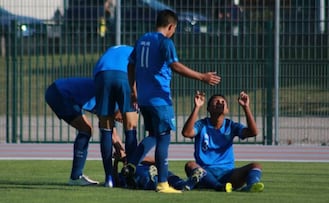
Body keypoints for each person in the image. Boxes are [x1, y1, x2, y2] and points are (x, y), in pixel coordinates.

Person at [123, 9, 221, 193]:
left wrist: (133, 89)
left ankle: (132, 164)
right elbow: (175, 66)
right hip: (160, 100)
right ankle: (162, 183)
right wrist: (202, 77)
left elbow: (130, 64)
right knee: (164, 138)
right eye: (174, 29)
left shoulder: (143, 39)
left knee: (153, 135)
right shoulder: (165, 42)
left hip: (143, 99)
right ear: (171, 26)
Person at [45, 77, 126, 186]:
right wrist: (122, 151)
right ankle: (75, 177)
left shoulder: (111, 100)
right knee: (86, 129)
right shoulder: (112, 103)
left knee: (86, 129)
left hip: (58, 90)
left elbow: (112, 132)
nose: (123, 120)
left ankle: (76, 176)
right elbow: (109, 130)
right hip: (60, 92)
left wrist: (120, 149)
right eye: (124, 116)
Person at [181, 91, 264, 192]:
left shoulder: (231, 126)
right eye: (216, 102)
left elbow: (253, 132)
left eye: (222, 101)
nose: (220, 103)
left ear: (227, 109)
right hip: (204, 172)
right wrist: (197, 107)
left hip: (228, 174)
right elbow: (187, 133)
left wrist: (246, 107)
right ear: (208, 108)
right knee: (190, 165)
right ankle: (218, 186)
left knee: (256, 166)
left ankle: (252, 185)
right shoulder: (202, 125)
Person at [93, 45, 139, 188]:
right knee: (130, 126)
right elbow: (138, 75)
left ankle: (109, 179)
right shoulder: (134, 51)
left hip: (102, 75)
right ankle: (130, 176)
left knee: (105, 127)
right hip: (125, 75)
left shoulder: (107, 54)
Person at [113, 155, 203, 191]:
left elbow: (157, 161)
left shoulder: (138, 163)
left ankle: (191, 181)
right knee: (155, 181)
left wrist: (133, 158)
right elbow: (116, 180)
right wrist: (116, 162)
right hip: (148, 176)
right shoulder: (124, 176)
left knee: (176, 181)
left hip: (158, 172)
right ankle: (189, 183)